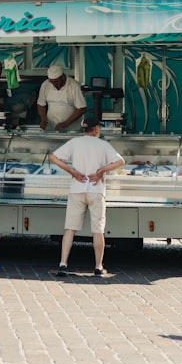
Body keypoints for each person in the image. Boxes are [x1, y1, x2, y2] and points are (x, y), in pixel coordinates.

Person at [48, 116, 125, 276]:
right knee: (98, 230)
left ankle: (63, 263)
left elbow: (53, 157)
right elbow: (120, 161)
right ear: (96, 128)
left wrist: (73, 172)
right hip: (96, 190)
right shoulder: (103, 145)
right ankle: (98, 266)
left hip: (77, 188)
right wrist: (101, 171)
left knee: (70, 228)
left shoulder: (75, 142)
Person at [37, 65, 87, 131]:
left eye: (56, 82)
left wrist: (66, 123)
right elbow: (40, 104)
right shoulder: (46, 84)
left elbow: (82, 108)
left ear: (62, 77)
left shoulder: (74, 86)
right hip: (51, 127)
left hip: (71, 129)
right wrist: (43, 119)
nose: (54, 84)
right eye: (52, 82)